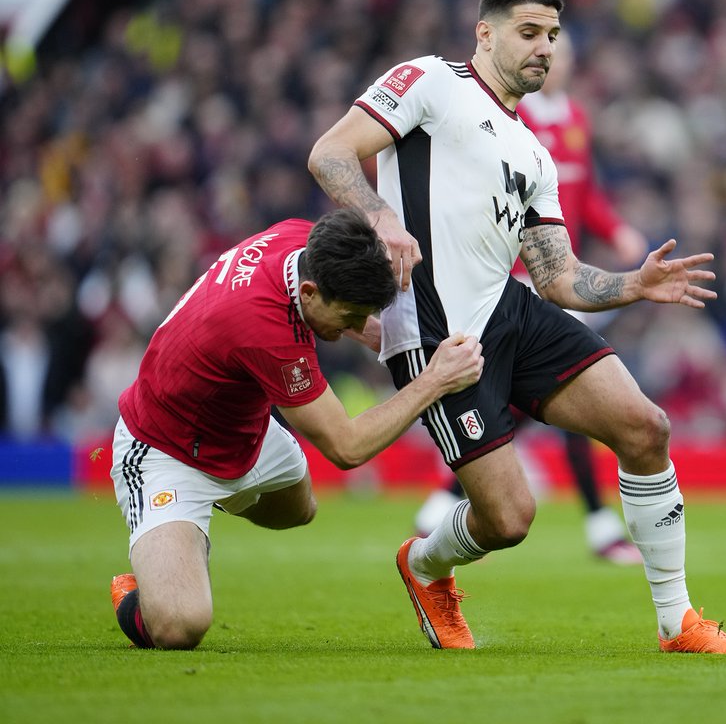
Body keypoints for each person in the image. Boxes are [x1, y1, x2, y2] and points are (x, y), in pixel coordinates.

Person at [308, 0, 726, 654]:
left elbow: (560, 278)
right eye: (528, 32)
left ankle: (678, 623)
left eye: (552, 34)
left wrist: (633, 285)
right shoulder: (430, 82)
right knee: (511, 519)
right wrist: (382, 219)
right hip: (437, 334)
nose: (544, 47)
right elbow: (330, 153)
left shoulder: (535, 154)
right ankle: (423, 565)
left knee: (645, 426)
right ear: (484, 34)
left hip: (510, 308)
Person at [107, 209, 484, 650]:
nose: (357, 329)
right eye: (350, 317)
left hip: (239, 428)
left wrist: (387, 336)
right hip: (163, 449)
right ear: (308, 292)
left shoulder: (306, 241)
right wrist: (434, 379)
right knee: (179, 628)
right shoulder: (265, 328)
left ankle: (180, 545)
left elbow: (342, 307)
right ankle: (156, 577)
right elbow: (347, 447)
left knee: (299, 510)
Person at [413, 30, 648, 566]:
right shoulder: (516, 119)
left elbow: (584, 197)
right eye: (547, 51)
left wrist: (616, 232)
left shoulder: (576, 121)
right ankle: (593, 522)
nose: (552, 61)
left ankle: (453, 499)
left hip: (560, 274)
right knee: (547, 394)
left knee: (566, 393)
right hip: (514, 277)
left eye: (562, 53)